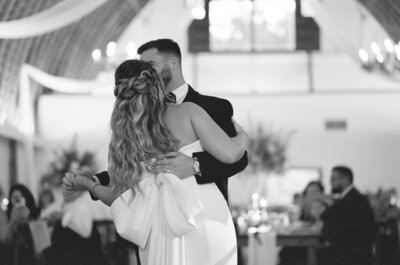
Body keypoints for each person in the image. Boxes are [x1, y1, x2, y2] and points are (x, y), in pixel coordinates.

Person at [63, 59, 248, 265]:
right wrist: (242, 137)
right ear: (157, 85)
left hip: (159, 232)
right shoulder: (188, 112)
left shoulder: (123, 141)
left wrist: (90, 185)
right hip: (206, 217)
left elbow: (115, 197)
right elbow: (231, 155)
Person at [89, 38, 248, 204]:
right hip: (162, 214)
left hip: (206, 207)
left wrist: (196, 165)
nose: (145, 71)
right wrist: (95, 180)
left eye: (150, 64)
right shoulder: (138, 119)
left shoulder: (214, 106)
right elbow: (138, 168)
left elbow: (238, 160)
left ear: (173, 63)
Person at [320, 166, 376, 265]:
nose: (330, 182)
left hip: (351, 256)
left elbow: (340, 228)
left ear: (345, 179)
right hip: (351, 252)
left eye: (333, 179)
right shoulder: (349, 198)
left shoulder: (353, 200)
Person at [0, 184, 41, 265]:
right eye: (14, 198)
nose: (17, 200)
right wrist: (13, 222)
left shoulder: (35, 214)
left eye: (20, 197)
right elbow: (6, 242)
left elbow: (39, 244)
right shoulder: (4, 216)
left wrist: (27, 221)